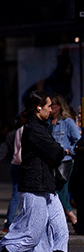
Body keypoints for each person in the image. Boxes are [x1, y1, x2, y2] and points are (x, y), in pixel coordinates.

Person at [0, 90, 84, 252]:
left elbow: (54, 150)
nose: (51, 109)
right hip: (34, 189)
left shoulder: (42, 127)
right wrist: (63, 150)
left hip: (47, 188)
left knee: (61, 231)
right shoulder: (33, 129)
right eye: (48, 106)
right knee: (30, 236)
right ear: (38, 108)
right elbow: (54, 151)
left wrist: (59, 150)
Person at [49, 93, 79, 225]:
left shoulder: (67, 122)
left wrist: (68, 150)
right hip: (51, 161)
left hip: (65, 161)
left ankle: (71, 215)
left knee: (61, 189)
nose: (50, 108)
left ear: (59, 106)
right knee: (53, 190)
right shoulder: (49, 123)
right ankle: (64, 217)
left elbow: (78, 141)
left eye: (52, 105)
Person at [3, 115, 25, 233]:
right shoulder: (27, 129)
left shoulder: (18, 130)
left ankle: (9, 223)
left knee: (16, 195)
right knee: (26, 196)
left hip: (15, 163)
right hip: (23, 164)